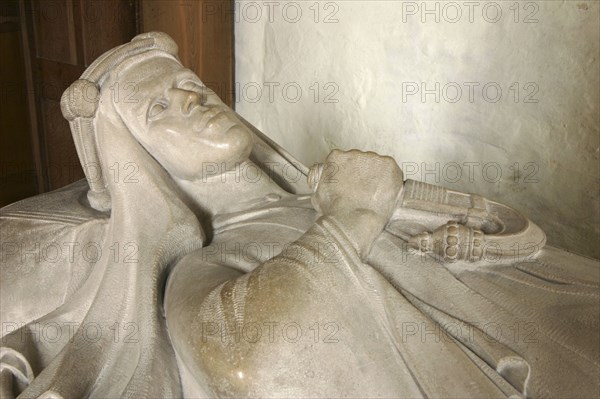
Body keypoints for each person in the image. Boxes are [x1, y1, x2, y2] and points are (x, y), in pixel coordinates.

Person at [1, 32, 598, 398]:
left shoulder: (313, 192)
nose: (192, 97)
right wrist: (352, 219)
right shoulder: (209, 264)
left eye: (187, 83)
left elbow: (511, 238)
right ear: (146, 165)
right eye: (161, 108)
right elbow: (240, 361)